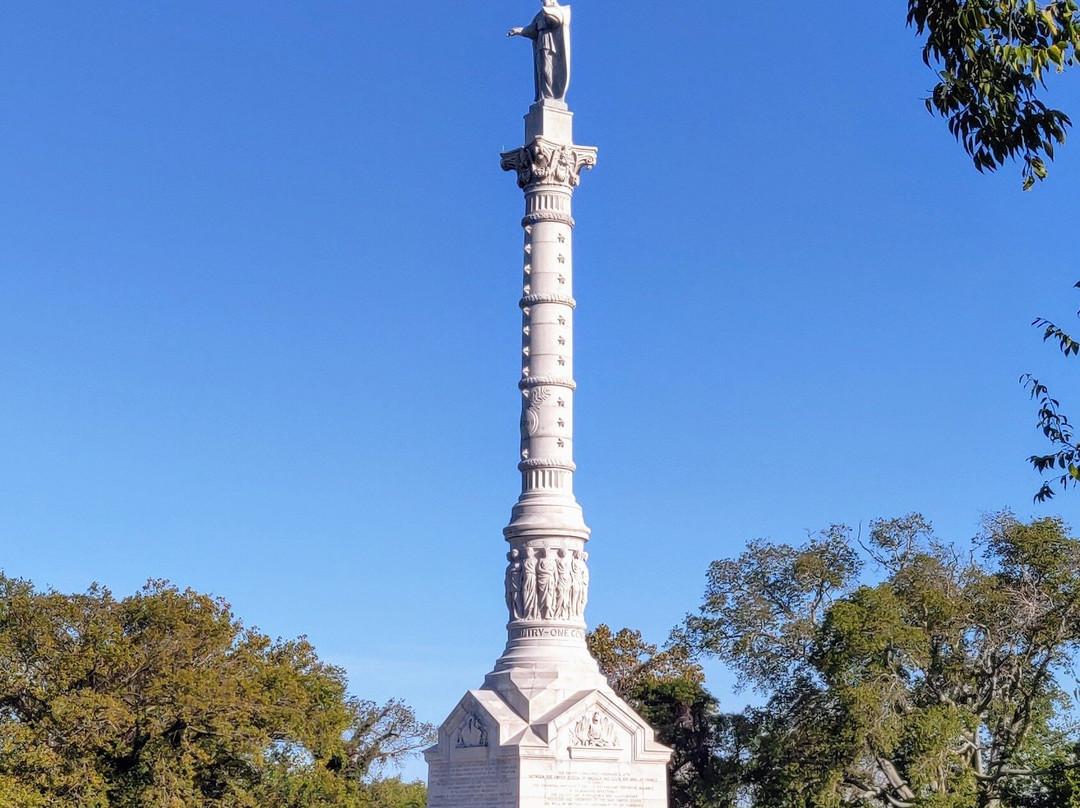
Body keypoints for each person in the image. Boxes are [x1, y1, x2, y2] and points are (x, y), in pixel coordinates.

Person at [508, 0, 571, 103]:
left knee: (547, 69)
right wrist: (518, 31)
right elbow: (532, 30)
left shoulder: (557, 10)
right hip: (541, 43)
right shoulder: (540, 15)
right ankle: (544, 94)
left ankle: (550, 95)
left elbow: (557, 22)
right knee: (541, 71)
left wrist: (548, 11)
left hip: (550, 43)